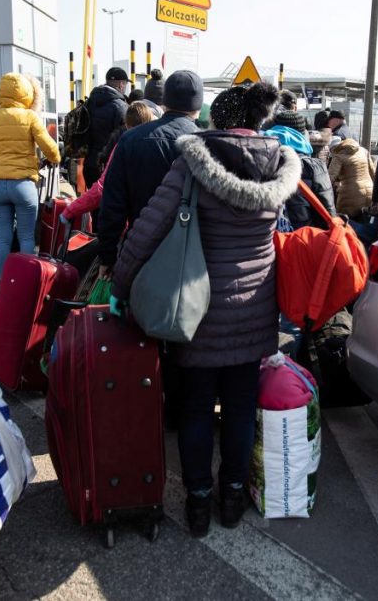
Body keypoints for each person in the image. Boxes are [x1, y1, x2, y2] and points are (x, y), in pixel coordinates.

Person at [110, 82, 301, 537]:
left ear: (217, 118)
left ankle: (197, 504)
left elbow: (147, 233)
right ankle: (231, 499)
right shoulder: (279, 166)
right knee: (238, 408)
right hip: (254, 313)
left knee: (195, 409)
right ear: (258, 121)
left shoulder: (192, 164)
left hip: (195, 312)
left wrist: (121, 285)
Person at [97, 70, 203, 275]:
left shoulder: (131, 139)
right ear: (198, 106)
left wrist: (107, 256)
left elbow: (112, 204)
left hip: (139, 248)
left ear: (165, 101)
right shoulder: (206, 142)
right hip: (188, 257)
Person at [0, 72, 60, 273]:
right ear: (26, 94)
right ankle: (25, 283)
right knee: (26, 237)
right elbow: (51, 149)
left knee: (3, 238)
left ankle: (5, 286)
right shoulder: (30, 117)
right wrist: (55, 158)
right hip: (23, 185)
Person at [61, 101, 156, 224]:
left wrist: (71, 210)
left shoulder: (124, 145)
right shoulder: (162, 143)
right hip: (160, 222)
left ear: (127, 125)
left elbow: (102, 187)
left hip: (131, 222)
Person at [263, 120, 336, 229]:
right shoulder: (314, 165)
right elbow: (327, 213)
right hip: (303, 237)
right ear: (302, 136)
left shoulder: (259, 160)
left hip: (268, 237)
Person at [83, 67, 129, 187]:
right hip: (109, 167)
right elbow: (125, 138)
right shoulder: (121, 106)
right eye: (125, 83)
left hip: (89, 163)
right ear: (121, 84)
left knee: (91, 202)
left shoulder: (89, 102)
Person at [328, 137, 375, 221]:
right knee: (364, 220)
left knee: (345, 221)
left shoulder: (338, 156)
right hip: (369, 191)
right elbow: (373, 172)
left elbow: (330, 178)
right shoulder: (363, 151)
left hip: (349, 194)